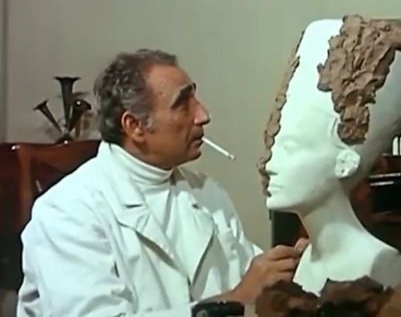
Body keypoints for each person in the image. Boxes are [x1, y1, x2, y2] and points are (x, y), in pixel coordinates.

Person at [16, 49, 307, 317]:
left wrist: (296, 265)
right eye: (183, 104)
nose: (203, 115)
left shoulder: (207, 193)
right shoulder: (67, 212)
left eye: (195, 98)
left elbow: (251, 277)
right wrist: (232, 302)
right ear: (135, 126)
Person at [257, 16, 401, 294]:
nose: (269, 164)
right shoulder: (304, 260)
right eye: (271, 144)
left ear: (346, 162)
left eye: (291, 148)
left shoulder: (377, 263)